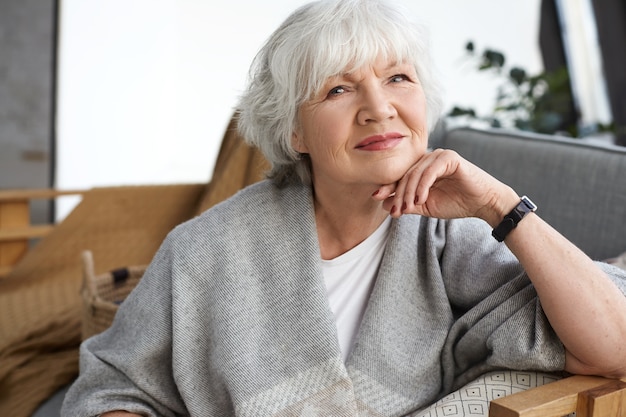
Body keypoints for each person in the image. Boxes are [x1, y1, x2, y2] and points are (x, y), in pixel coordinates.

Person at [62, 0, 626, 416]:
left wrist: (499, 203)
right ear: (294, 132)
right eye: (338, 90)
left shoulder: (447, 237)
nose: (379, 109)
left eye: (398, 78)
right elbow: (114, 389)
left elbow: (615, 346)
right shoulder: (205, 250)